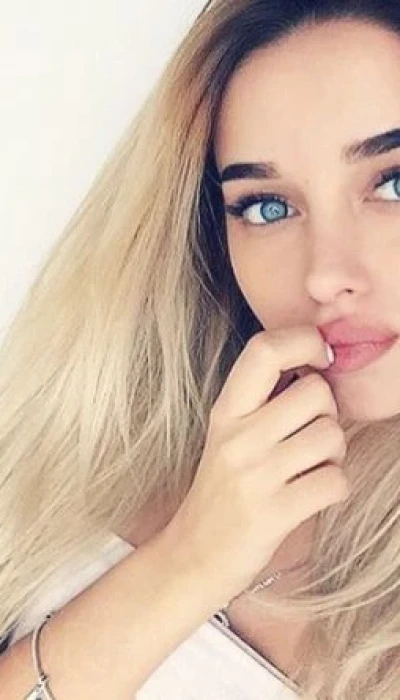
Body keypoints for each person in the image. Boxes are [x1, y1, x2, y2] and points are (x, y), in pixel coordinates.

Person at [1, 0, 400, 697]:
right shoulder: (112, 430)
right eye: (267, 207)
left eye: (393, 183)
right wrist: (192, 557)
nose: (324, 274)